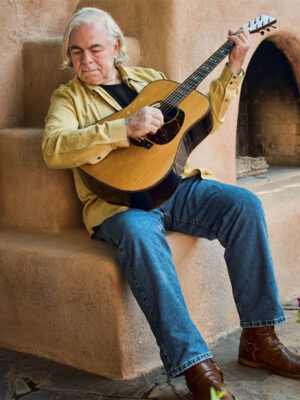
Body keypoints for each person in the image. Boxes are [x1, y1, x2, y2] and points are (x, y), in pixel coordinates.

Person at [42, 7, 300, 400]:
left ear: (116, 47)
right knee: (140, 234)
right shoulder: (68, 98)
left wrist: (233, 67)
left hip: (173, 188)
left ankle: (259, 339)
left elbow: (205, 116)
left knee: (243, 204)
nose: (86, 59)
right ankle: (196, 365)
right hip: (119, 205)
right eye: (76, 52)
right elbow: (53, 149)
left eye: (94, 48)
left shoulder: (151, 81)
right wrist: (122, 128)